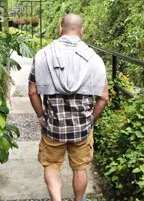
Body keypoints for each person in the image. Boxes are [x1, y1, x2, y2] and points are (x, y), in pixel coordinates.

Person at [28, 14, 108, 201]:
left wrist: (41, 116)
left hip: (53, 126)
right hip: (81, 128)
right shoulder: (94, 58)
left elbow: (33, 91)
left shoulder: (43, 55)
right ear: (81, 30)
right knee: (80, 167)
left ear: (60, 28)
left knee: (51, 165)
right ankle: (78, 200)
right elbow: (103, 97)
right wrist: (91, 120)